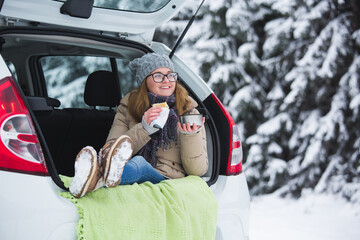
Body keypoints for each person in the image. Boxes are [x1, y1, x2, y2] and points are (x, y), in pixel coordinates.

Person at [69, 53, 208, 198]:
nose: (167, 80)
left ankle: (94, 177)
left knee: (140, 164)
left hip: (168, 177)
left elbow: (197, 171)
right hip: (129, 171)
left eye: (170, 75)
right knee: (136, 164)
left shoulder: (188, 111)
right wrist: (144, 128)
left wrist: (190, 136)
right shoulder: (128, 108)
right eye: (158, 76)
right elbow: (110, 151)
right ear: (144, 81)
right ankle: (93, 179)